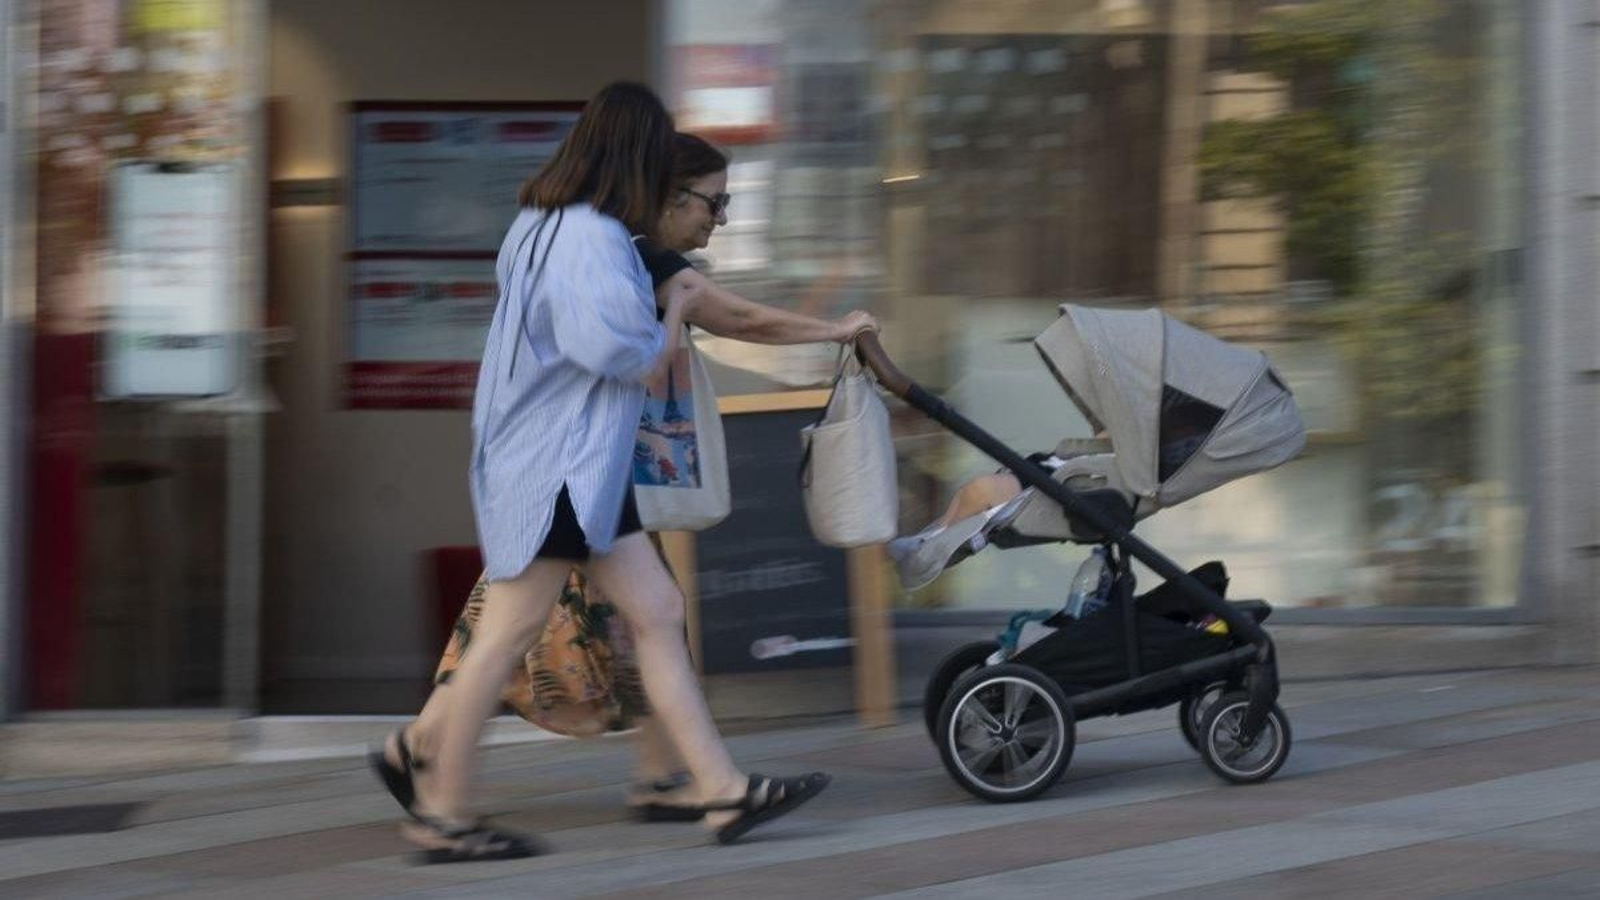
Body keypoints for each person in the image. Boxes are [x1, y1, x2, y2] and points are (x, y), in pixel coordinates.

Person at [370, 84, 832, 863]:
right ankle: (440, 811)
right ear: (637, 156)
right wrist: (676, 307)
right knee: (505, 635)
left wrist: (670, 302)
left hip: (577, 463)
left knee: (654, 608)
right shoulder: (589, 239)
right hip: (561, 467)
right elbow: (624, 357)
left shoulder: (540, 227)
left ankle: (720, 791)